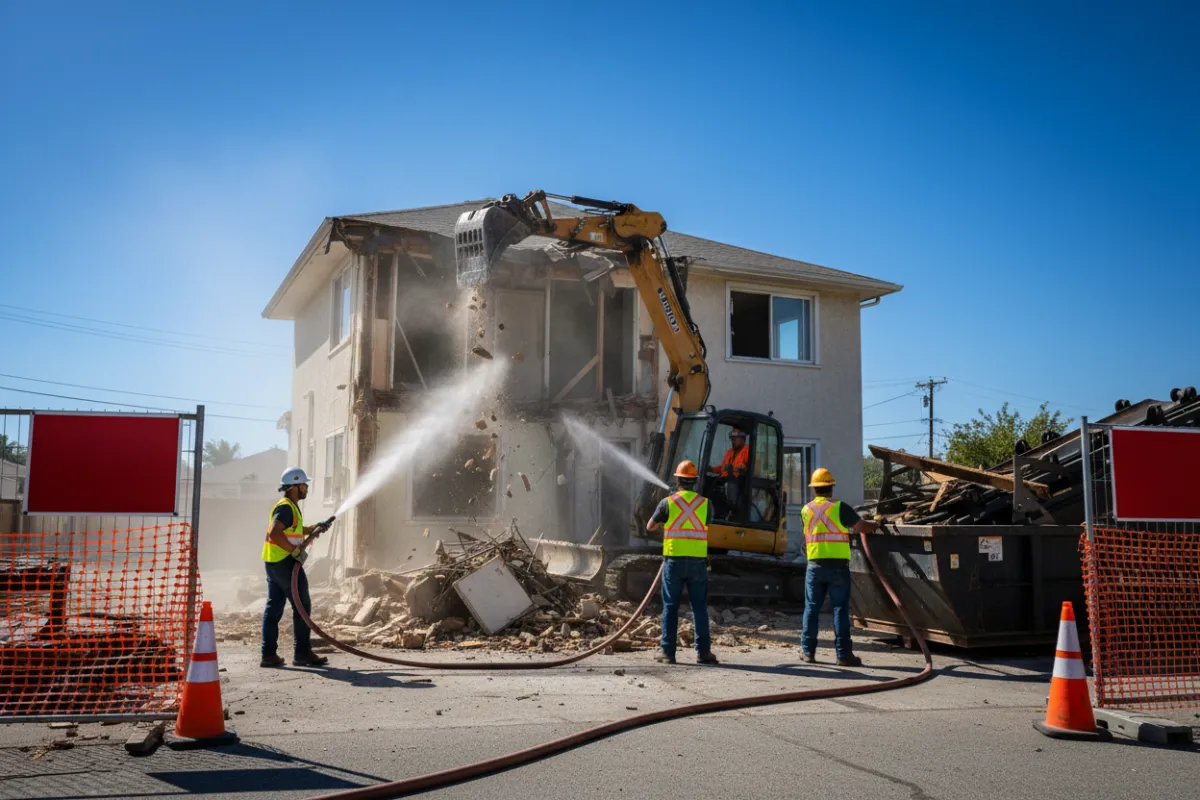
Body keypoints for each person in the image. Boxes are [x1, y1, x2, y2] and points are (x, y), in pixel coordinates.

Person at [799, 467, 878, 667]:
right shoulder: (840, 508)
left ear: (814, 489)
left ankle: (808, 652)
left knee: (811, 609)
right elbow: (863, 528)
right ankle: (843, 655)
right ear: (831, 488)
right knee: (840, 610)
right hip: (837, 568)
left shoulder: (805, 510)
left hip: (814, 566)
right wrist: (877, 522)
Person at [647, 460, 719, 665]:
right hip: (697, 563)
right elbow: (704, 524)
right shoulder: (705, 504)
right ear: (695, 481)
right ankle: (703, 653)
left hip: (674, 562)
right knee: (699, 608)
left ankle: (668, 653)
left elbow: (650, 526)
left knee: (670, 607)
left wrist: (665, 521)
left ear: (677, 480)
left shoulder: (668, 503)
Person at [261, 467, 330, 668]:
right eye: (304, 485)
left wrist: (313, 528)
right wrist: (293, 550)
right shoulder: (286, 507)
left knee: (274, 608)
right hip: (285, 563)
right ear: (294, 486)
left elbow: (292, 530)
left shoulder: (289, 506)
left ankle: (269, 655)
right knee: (302, 606)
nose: (306, 488)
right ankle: (302, 654)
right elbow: (275, 532)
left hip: (273, 563)